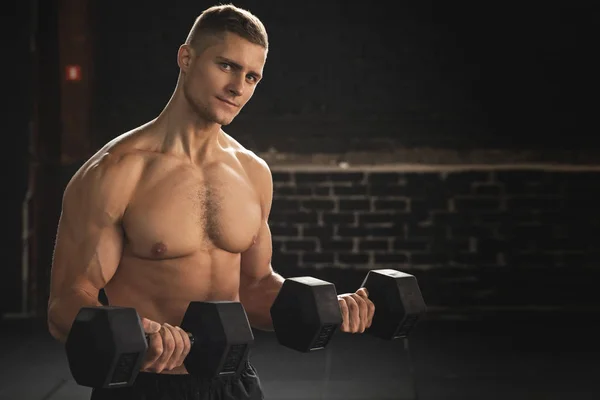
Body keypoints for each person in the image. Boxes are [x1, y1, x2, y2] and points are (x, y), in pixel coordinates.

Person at [47, 4, 375, 400]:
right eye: (226, 66)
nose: (239, 87)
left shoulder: (252, 172)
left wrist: (327, 309)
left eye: (252, 76)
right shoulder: (116, 172)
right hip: (144, 385)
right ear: (186, 57)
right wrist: (142, 333)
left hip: (234, 382)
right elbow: (66, 303)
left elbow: (254, 288)